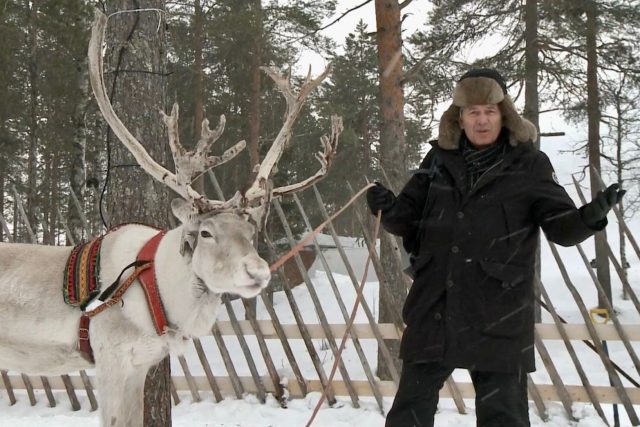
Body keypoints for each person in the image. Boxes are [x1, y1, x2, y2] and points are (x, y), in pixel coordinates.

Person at [366, 68, 624, 427]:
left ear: (504, 115)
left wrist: (589, 218)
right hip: (435, 305)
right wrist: (387, 206)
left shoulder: (529, 164)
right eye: (473, 112)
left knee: (503, 417)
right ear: (460, 118)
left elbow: (561, 229)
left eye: (489, 111)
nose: (482, 120)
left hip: (497, 311)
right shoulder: (438, 161)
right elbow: (404, 220)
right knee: (409, 413)